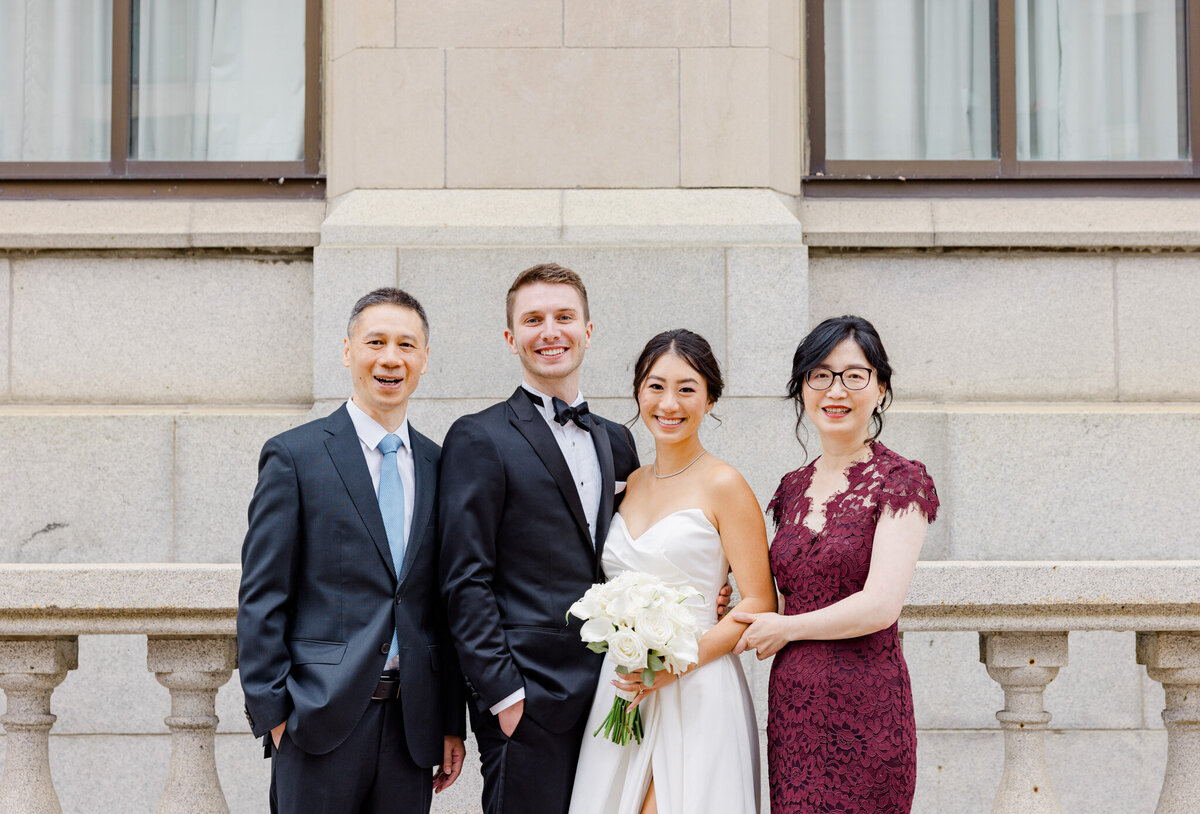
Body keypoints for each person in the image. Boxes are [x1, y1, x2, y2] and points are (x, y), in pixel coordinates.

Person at [237, 288, 466, 814]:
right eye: (376, 342)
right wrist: (275, 716)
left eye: (407, 345)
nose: (391, 358)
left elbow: (443, 604)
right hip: (316, 722)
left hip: (412, 730)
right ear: (347, 351)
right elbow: (261, 596)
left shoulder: (440, 464)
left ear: (424, 359)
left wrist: (451, 720)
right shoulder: (294, 456)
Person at [438, 263, 642, 814]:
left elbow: (630, 556)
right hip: (528, 700)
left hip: (614, 694)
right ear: (511, 338)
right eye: (533, 319)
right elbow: (464, 577)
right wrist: (504, 695)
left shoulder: (618, 441)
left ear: (588, 330)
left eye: (563, 317)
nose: (550, 331)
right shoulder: (478, 437)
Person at [733, 315, 939, 814]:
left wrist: (786, 627)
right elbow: (777, 592)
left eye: (854, 375)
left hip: (867, 703)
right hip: (794, 707)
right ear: (802, 388)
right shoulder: (790, 487)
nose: (835, 390)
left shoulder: (901, 480)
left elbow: (880, 605)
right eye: (820, 375)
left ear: (880, 387)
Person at [569, 329, 777, 814]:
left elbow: (759, 601)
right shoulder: (630, 482)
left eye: (687, 388)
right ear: (639, 392)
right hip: (624, 686)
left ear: (709, 398)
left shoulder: (725, 484)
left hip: (697, 685)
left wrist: (670, 667)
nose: (669, 403)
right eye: (655, 386)